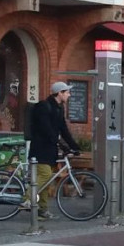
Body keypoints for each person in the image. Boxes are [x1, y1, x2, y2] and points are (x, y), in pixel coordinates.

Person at [26, 82, 81, 220]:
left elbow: (63, 129)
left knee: (47, 180)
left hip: (50, 150)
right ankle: (26, 198)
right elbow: (46, 129)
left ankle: (42, 210)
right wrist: (59, 144)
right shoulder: (44, 106)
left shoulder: (59, 108)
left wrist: (74, 146)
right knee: (44, 175)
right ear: (60, 93)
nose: (69, 95)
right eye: (67, 92)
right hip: (39, 149)